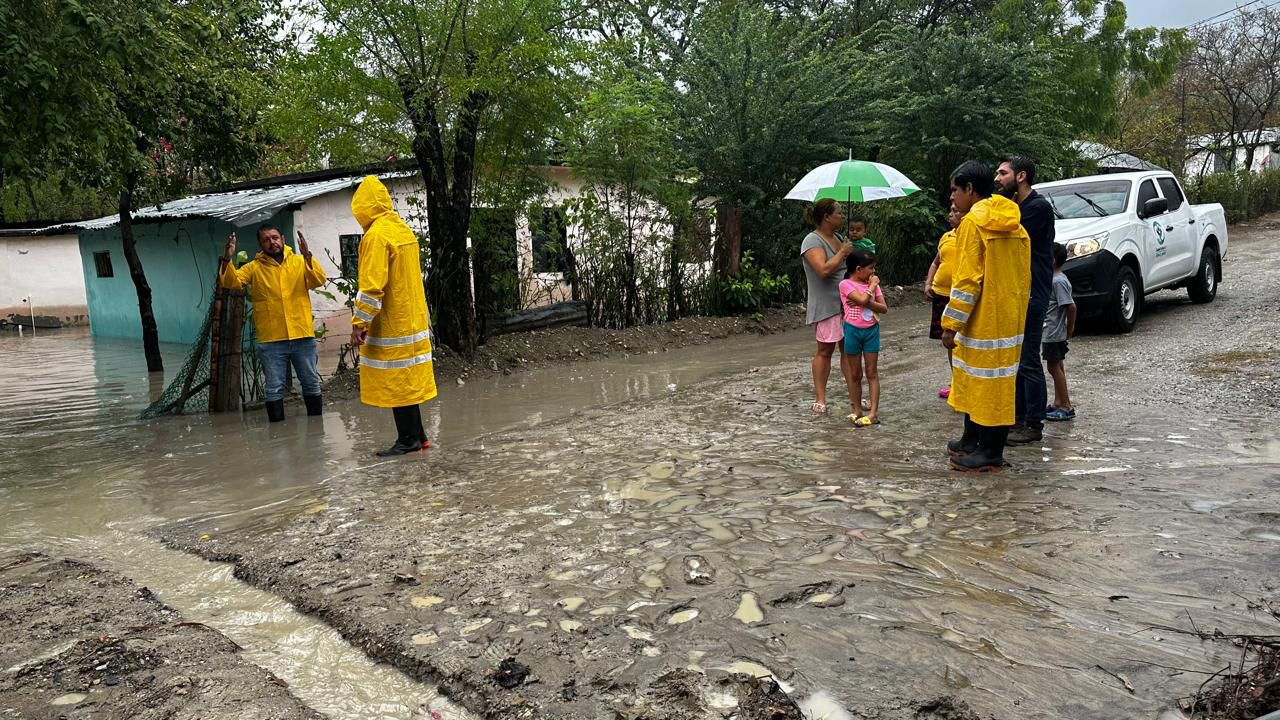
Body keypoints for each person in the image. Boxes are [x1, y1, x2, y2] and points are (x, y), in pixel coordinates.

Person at [941, 160, 1031, 472]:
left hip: (981, 318)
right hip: (1007, 316)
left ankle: (990, 452)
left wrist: (950, 324)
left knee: (989, 384)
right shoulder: (1014, 223)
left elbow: (967, 280)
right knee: (983, 380)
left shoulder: (971, 224)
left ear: (970, 189)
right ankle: (972, 440)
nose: (952, 198)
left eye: (955, 191)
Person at [348, 176, 438, 456]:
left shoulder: (376, 236)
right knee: (407, 380)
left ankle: (408, 440)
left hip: (392, 323)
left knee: (397, 381)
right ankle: (419, 436)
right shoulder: (402, 230)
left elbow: (372, 287)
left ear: (361, 206)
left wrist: (359, 324)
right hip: (412, 320)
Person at [221, 226, 326, 423]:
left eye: (275, 237)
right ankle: (278, 438)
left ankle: (316, 429)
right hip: (271, 339)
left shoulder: (299, 261)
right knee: (274, 387)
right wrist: (227, 258)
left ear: (283, 238)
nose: (272, 242)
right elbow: (231, 283)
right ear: (260, 244)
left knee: (311, 383)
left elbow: (319, 280)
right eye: (267, 240)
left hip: (302, 335)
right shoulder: (254, 267)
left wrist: (307, 255)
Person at [995, 157, 1057, 445]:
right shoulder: (1018, 207)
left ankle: (1033, 424)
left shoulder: (1036, 208)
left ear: (1021, 176)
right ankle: (1017, 420)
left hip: (1033, 291)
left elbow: (1005, 235)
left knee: (1029, 358)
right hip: (1017, 291)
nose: (998, 178)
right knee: (1018, 359)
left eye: (1002, 173)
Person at [801, 198, 854, 415]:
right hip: (826, 305)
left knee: (848, 351)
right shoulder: (812, 241)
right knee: (825, 350)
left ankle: (855, 396)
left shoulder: (839, 238)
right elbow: (822, 270)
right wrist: (842, 253)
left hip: (847, 304)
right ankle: (820, 398)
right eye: (838, 213)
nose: (842, 217)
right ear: (826, 217)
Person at [839, 249, 887, 426]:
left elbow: (883, 308)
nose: (873, 273)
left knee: (872, 372)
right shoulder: (845, 284)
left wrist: (865, 299)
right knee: (854, 374)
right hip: (852, 330)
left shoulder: (871, 284)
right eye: (871, 269)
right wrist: (872, 287)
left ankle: (873, 413)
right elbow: (860, 299)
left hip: (871, 331)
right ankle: (857, 410)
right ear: (858, 269)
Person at [924, 205, 962, 399]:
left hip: (961, 296)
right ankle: (955, 381)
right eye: (951, 210)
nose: (951, 214)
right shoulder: (946, 237)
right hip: (941, 294)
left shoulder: (971, 235)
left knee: (962, 339)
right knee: (948, 341)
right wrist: (929, 282)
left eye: (955, 211)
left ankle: (965, 382)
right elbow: (936, 262)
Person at [1043, 242, 1076, 421]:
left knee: (1053, 367)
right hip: (1052, 331)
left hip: (1053, 332)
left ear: (1053, 260)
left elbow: (1070, 307)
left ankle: (1066, 406)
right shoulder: (1055, 280)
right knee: (1058, 366)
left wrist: (1069, 330)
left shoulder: (1059, 282)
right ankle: (1058, 401)